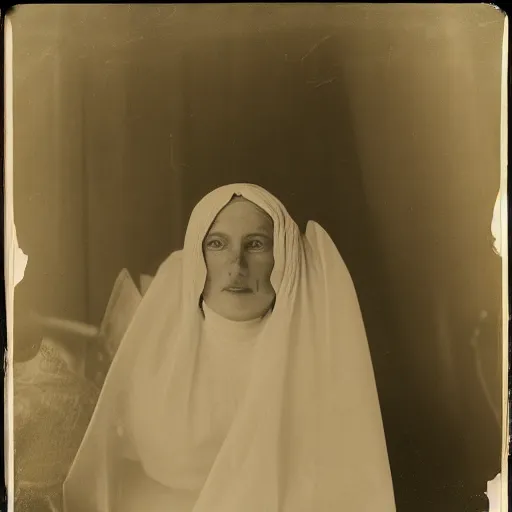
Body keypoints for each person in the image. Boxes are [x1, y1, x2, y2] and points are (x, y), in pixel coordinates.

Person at [63, 183, 396, 511]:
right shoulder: (156, 352)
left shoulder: (319, 361)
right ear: (197, 255)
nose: (236, 265)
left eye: (256, 244)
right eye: (218, 244)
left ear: (285, 257)